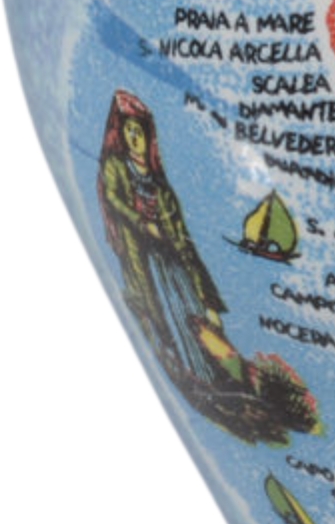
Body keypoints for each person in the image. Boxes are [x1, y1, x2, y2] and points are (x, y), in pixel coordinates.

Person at [96, 92, 237, 386]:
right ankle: (191, 374)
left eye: (139, 131)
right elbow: (112, 198)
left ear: (149, 137)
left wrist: (209, 301)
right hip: (145, 258)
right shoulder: (117, 167)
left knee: (190, 310)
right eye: (129, 131)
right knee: (164, 313)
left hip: (171, 260)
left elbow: (184, 241)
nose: (134, 137)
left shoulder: (161, 186)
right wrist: (143, 225)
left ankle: (207, 374)